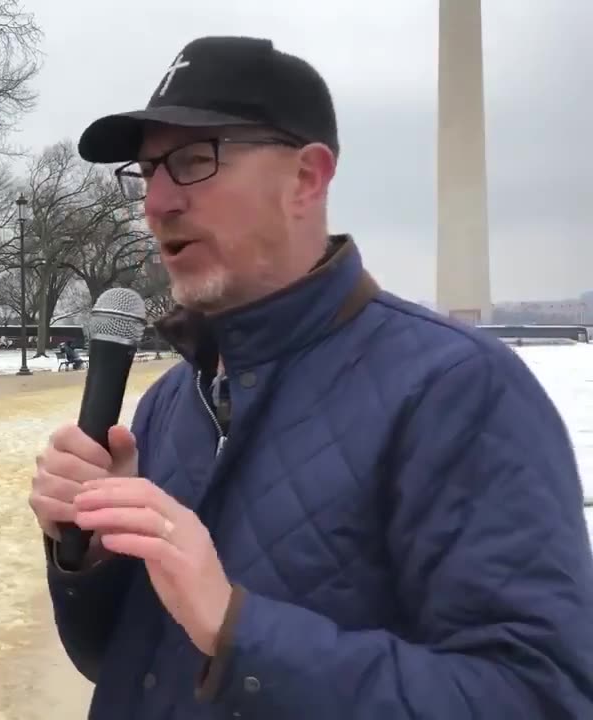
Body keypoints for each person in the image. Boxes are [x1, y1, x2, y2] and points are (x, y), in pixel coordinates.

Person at [29, 35, 593, 719]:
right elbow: (115, 664)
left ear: (306, 178)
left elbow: (541, 697)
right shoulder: (169, 403)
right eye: (146, 171)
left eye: (191, 160)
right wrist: (84, 555)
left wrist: (239, 632)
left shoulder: (460, 393)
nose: (157, 202)